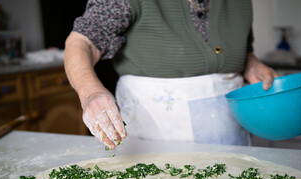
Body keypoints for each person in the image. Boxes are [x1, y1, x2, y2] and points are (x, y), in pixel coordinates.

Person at [64, 0, 278, 150]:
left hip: (230, 133)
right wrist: (90, 92)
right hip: (154, 133)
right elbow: (82, 43)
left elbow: (240, 47)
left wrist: (251, 64)